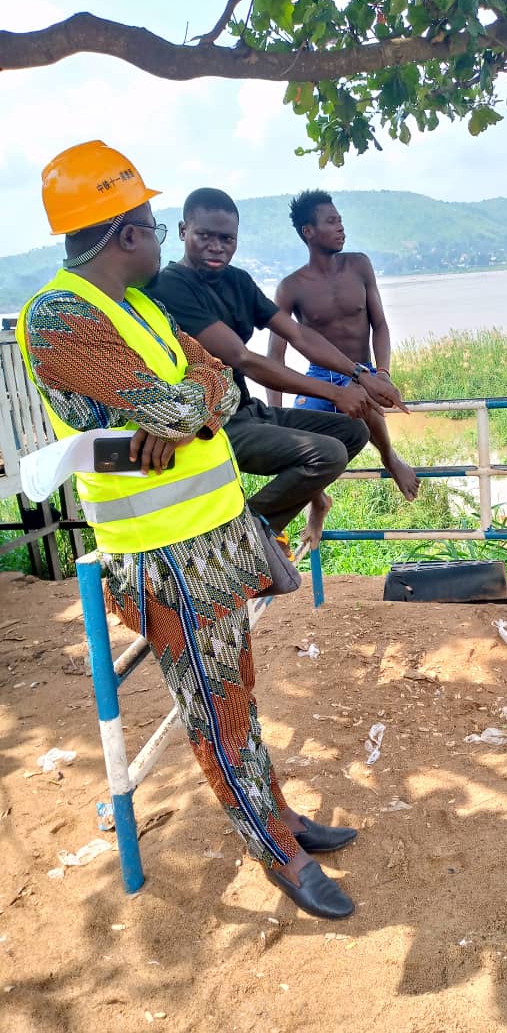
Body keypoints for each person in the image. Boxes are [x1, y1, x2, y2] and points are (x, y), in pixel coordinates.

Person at [16, 141, 357, 920]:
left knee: (238, 693)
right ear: (125, 232)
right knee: (216, 707)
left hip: (211, 539)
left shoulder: (140, 307)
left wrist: (189, 400)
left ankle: (279, 813)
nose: (164, 241)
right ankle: (278, 850)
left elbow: (217, 388)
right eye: (154, 227)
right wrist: (185, 404)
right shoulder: (60, 318)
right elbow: (178, 407)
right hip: (161, 557)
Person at [147, 188, 408, 548]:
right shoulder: (172, 285)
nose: (216, 247)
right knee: (326, 454)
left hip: (246, 410)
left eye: (227, 239)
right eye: (204, 236)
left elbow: (298, 333)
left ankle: (255, 530)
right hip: (211, 424)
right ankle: (237, 543)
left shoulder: (237, 280)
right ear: (182, 231)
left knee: (353, 434)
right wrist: (335, 392)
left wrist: (363, 375)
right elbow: (243, 358)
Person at [266, 190, 420, 501]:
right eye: (331, 222)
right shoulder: (291, 287)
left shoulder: (359, 265)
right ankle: (318, 502)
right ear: (308, 232)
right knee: (300, 451)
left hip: (365, 370)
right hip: (320, 377)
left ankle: (389, 456)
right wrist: (275, 417)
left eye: (341, 221)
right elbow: (275, 357)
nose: (341, 228)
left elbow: (380, 325)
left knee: (365, 395)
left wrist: (384, 373)